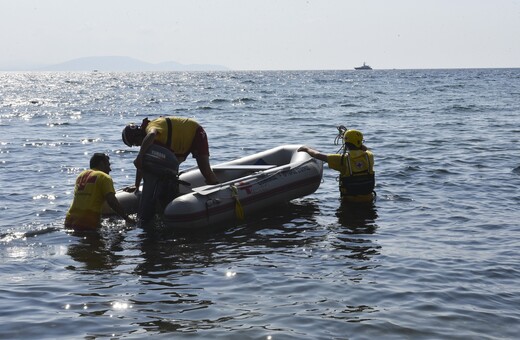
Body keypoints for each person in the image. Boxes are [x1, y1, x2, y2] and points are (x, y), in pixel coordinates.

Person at [121, 116, 219, 189]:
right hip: (180, 144)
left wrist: (140, 156)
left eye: (135, 143)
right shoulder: (148, 143)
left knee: (205, 170)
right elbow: (141, 165)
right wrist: (137, 186)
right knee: (169, 176)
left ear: (137, 135)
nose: (137, 145)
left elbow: (152, 134)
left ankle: (216, 188)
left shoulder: (150, 128)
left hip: (195, 133)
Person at [298, 129, 375, 202]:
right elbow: (365, 149)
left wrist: (306, 149)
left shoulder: (342, 159)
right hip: (368, 200)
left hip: (350, 202)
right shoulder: (369, 156)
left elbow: (317, 155)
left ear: (345, 144)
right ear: (360, 143)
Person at [65, 153, 135, 231]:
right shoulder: (104, 177)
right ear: (102, 164)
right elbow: (112, 201)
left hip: (69, 221)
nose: (110, 169)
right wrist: (127, 218)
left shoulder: (81, 176)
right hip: (88, 223)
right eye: (108, 165)